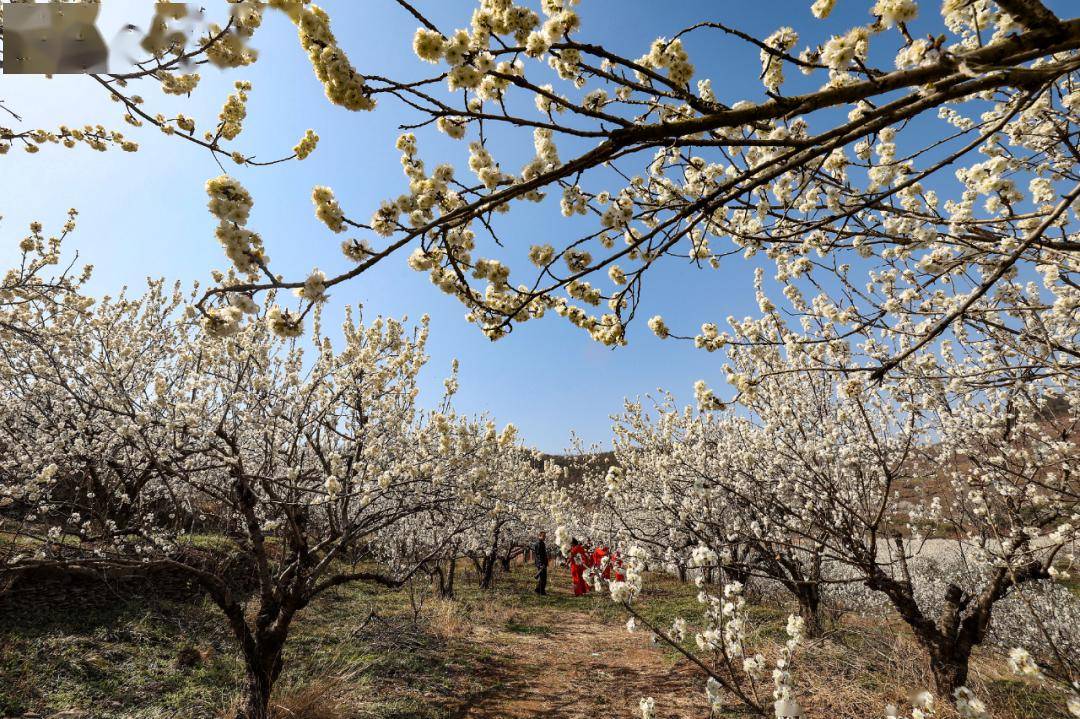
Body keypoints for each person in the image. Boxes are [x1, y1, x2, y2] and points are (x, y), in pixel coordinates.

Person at [532, 530, 549, 595]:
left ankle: (540, 590)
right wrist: (541, 564)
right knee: (542, 578)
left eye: (545, 536)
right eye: (543, 536)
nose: (545, 537)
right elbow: (539, 555)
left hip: (543, 563)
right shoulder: (539, 543)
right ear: (539, 536)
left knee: (543, 577)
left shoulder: (542, 543)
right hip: (541, 563)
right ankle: (540, 591)